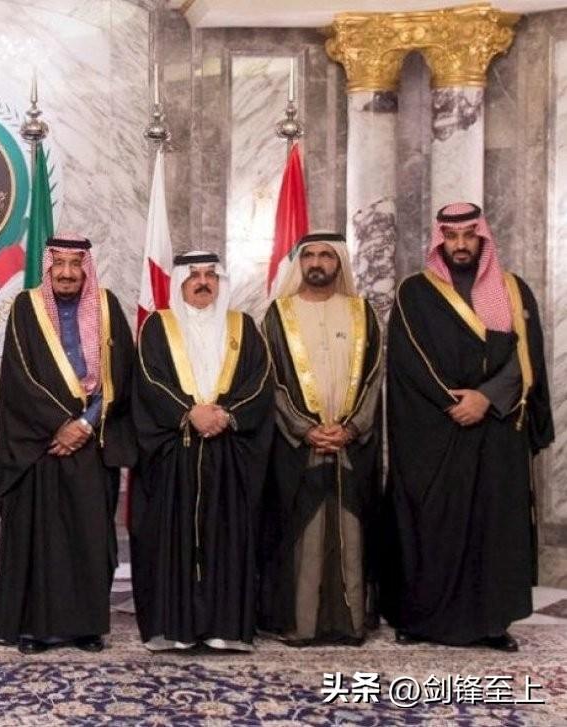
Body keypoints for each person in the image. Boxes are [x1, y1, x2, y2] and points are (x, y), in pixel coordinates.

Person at [384, 202, 552, 652]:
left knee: (493, 527)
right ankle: (419, 619)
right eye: (451, 237)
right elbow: (408, 361)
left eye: (468, 236)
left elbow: (526, 357)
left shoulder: (512, 290)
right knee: (430, 522)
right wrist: (451, 401)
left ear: (482, 238)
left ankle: (491, 623)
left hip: (496, 429)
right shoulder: (415, 292)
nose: (460, 245)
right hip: (434, 431)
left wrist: (486, 398)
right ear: (440, 240)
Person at [0, 234, 135, 654]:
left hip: (91, 441)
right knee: (41, 539)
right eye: (60, 264)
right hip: (41, 444)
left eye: (76, 264)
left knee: (88, 537)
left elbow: (121, 371)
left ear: (86, 269)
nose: (67, 273)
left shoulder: (106, 306)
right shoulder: (27, 307)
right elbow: (19, 377)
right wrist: (60, 425)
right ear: (48, 267)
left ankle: (86, 627)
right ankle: (36, 629)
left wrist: (86, 424)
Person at [130, 251, 273, 653]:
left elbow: (260, 381)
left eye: (211, 274)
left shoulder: (243, 326)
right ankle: (175, 628)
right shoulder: (158, 326)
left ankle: (225, 628)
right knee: (173, 540)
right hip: (177, 452)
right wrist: (188, 413)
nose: (203, 282)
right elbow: (149, 380)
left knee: (226, 538)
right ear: (180, 282)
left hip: (227, 453)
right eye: (194, 275)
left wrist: (226, 415)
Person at [258, 232, 383, 646]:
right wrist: (304, 428)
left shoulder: (363, 313)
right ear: (300, 264)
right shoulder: (278, 315)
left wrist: (351, 428)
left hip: (351, 444)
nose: (317, 262)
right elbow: (269, 380)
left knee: (353, 528)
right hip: (297, 446)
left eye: (326, 255)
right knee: (303, 532)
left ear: (339, 262)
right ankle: (301, 624)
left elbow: (375, 378)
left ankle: (350, 623)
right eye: (309, 255)